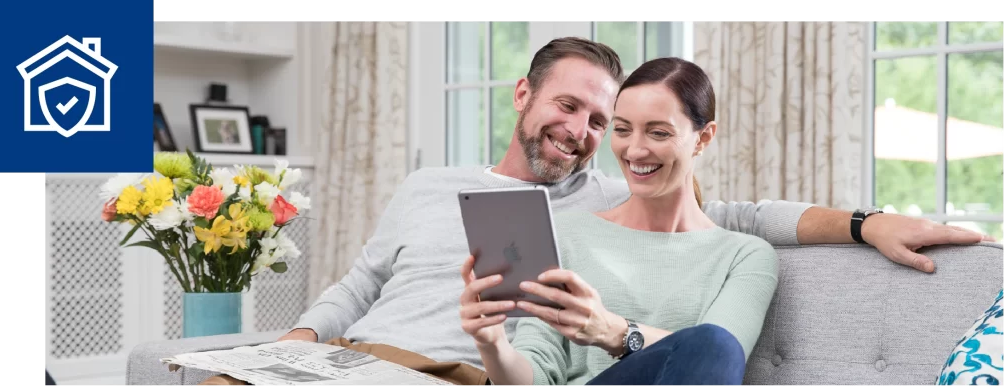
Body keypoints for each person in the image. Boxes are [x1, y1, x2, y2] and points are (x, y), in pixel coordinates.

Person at [215, 37, 988, 387]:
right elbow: (358, 281)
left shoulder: (610, 196)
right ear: (523, 95)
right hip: (353, 355)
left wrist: (864, 222)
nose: (585, 133)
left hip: (448, 375)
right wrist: (299, 338)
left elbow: (744, 219)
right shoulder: (429, 183)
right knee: (220, 383)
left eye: (601, 119)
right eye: (576, 109)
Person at [460, 56, 775, 386]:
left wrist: (613, 332)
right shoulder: (567, 233)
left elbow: (720, 358)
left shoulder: (746, 256)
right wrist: (492, 344)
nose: (635, 150)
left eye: (657, 132)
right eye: (622, 129)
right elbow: (536, 374)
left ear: (704, 138)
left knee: (715, 343)